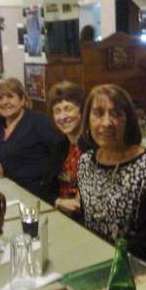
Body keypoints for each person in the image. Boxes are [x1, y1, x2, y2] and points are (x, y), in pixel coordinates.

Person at [77, 84, 146, 258]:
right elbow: (86, 220)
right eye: (98, 113)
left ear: (128, 120)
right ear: (87, 119)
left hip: (133, 265)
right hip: (93, 256)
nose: (106, 122)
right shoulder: (85, 162)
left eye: (116, 114)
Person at [0, 78, 64, 196]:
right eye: (0, 98)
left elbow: (60, 149)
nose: (5, 102)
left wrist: (45, 183)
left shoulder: (37, 122)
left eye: (10, 96)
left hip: (30, 192)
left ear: (22, 100)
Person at [43, 81, 89, 214]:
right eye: (57, 111)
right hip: (61, 213)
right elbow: (45, 189)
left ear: (81, 110)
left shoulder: (92, 145)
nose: (62, 117)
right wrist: (58, 202)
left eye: (68, 109)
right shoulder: (59, 145)